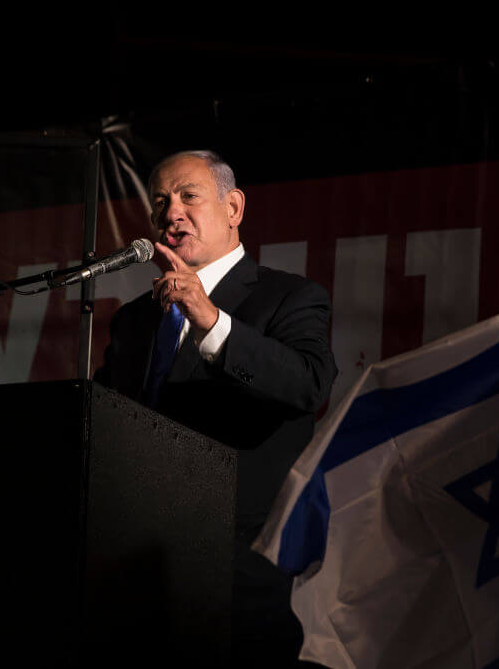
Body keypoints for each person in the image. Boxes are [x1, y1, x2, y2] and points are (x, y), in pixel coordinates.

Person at [94, 150, 337, 666]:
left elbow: (309, 385)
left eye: (188, 196)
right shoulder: (136, 320)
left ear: (233, 208)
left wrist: (211, 322)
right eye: (160, 201)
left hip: (241, 574)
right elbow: (105, 419)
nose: (171, 212)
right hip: (139, 572)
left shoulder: (290, 297)